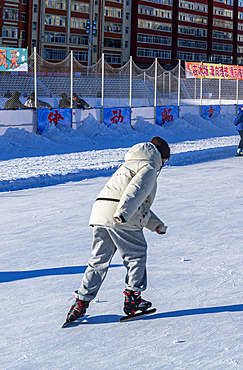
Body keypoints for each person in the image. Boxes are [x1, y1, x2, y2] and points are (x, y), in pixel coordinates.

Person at [64, 137, 169, 327]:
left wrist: (156, 225)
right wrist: (122, 214)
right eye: (165, 161)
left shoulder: (129, 165)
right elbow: (135, 192)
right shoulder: (149, 167)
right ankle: (133, 299)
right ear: (160, 156)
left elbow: (135, 202)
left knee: (99, 260)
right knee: (136, 254)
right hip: (119, 216)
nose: (164, 165)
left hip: (100, 214)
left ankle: (80, 302)